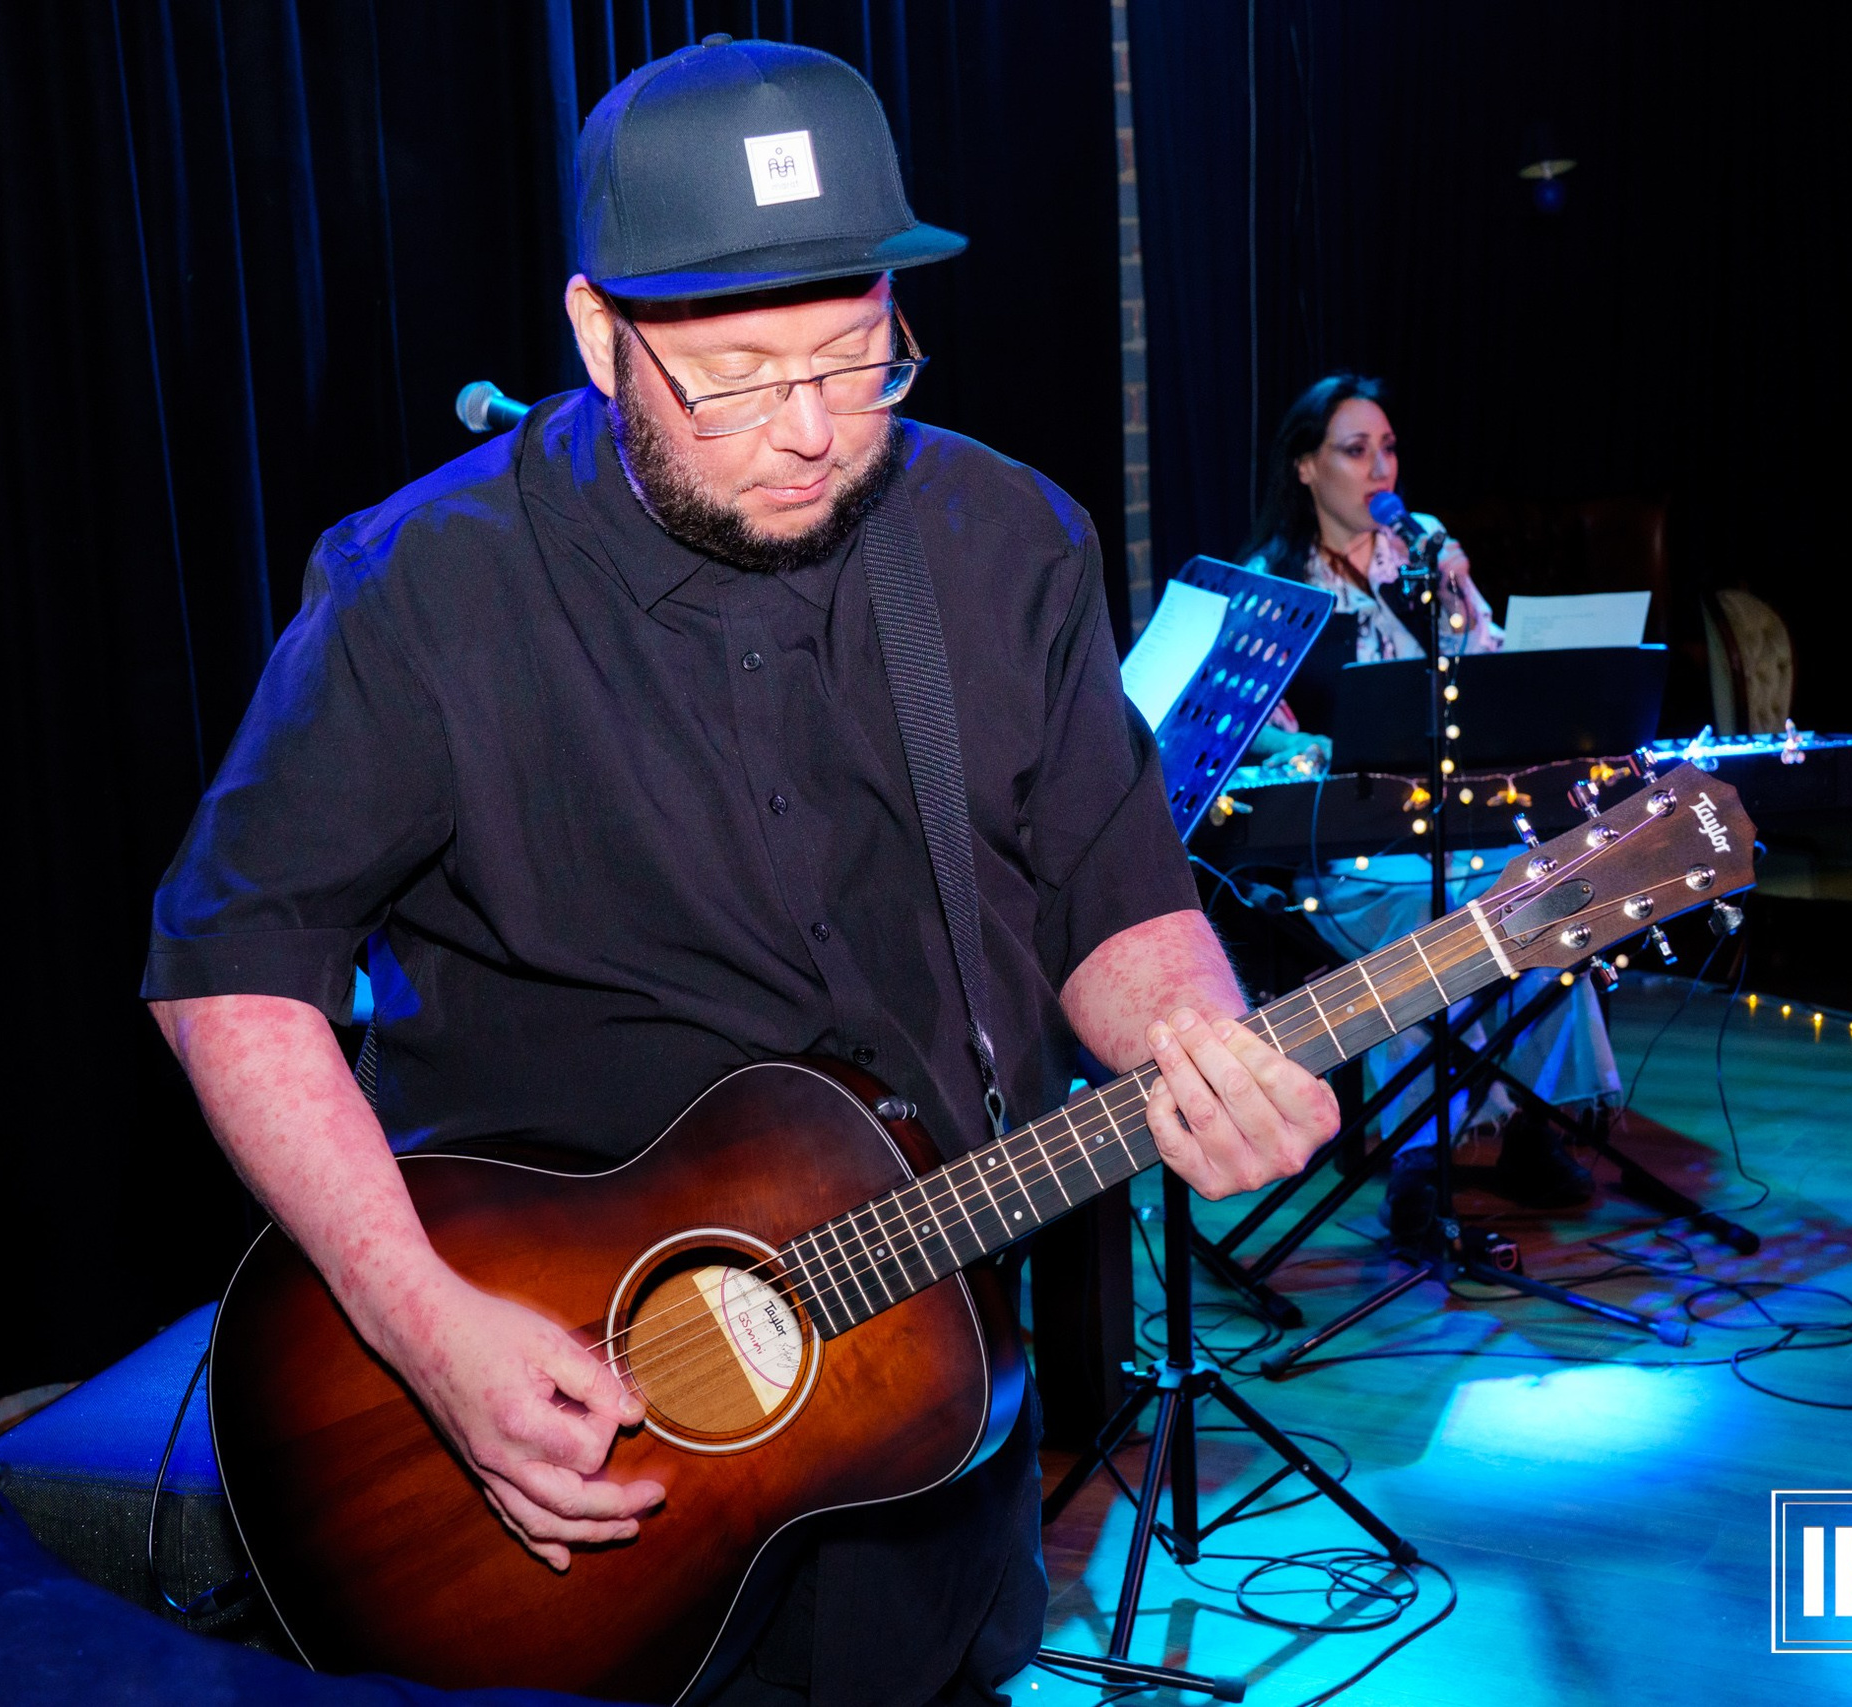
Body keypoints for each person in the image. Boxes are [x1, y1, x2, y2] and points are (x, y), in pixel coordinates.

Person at [139, 38, 1336, 1707]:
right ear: (593, 331)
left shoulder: (1008, 542)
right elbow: (230, 974)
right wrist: (420, 1321)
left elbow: (1109, 890)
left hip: (924, 1395)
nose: (810, 431)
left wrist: (1197, 1040)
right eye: (740, 373)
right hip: (547, 1434)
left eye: (855, 362)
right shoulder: (421, 589)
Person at [1240, 374, 1617, 1220]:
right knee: (1431, 932)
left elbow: (1497, 676)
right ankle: (1425, 1147)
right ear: (1305, 468)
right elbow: (1236, 722)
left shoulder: (1424, 562)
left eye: (1389, 448)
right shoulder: (1272, 586)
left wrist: (1457, 593)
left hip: (1449, 825)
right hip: (1344, 849)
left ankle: (1530, 1124)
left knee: (1540, 889)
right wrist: (1297, 741)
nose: (1381, 468)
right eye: (1354, 449)